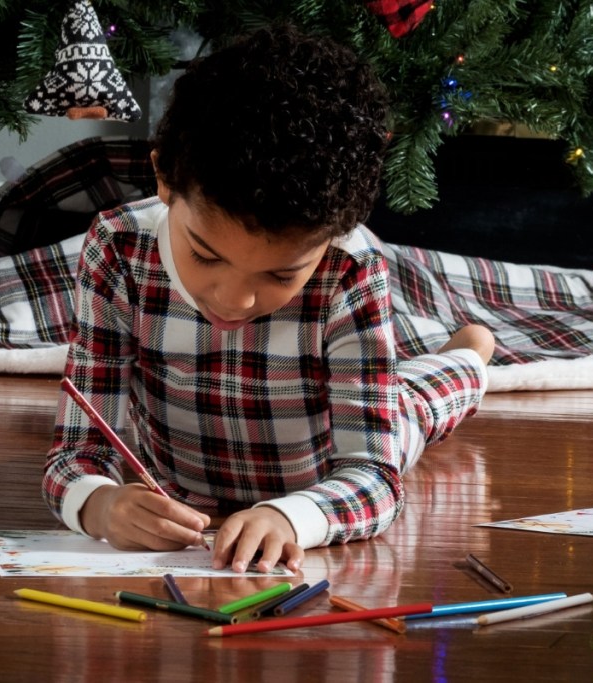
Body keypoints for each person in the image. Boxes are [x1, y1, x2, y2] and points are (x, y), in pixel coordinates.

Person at [42, 23, 493, 574]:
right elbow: (76, 450)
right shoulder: (118, 248)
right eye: (206, 256)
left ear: (333, 236)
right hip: (187, 479)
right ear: (163, 177)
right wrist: (99, 503)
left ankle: (470, 356)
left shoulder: (351, 269)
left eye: (281, 274)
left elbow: (375, 477)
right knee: (399, 393)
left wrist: (291, 517)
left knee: (411, 410)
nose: (235, 299)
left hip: (323, 469)